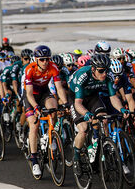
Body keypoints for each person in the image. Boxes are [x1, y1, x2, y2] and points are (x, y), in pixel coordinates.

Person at [69, 55, 129, 176]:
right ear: (93, 70)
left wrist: (121, 109)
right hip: (76, 98)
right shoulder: (82, 76)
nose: (104, 73)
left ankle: (99, 144)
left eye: (106, 70)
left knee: (104, 119)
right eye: (101, 71)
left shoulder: (109, 75)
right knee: (84, 129)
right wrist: (86, 113)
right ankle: (76, 157)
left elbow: (113, 97)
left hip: (92, 96)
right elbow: (78, 104)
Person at [24, 45, 69, 176]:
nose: (45, 62)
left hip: (44, 93)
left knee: (53, 109)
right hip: (31, 96)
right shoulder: (30, 69)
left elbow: (59, 88)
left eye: (47, 59)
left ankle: (51, 136)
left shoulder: (53, 67)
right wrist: (36, 107)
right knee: (34, 124)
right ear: (36, 59)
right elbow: (29, 94)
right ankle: (34, 161)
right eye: (42, 59)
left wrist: (65, 103)